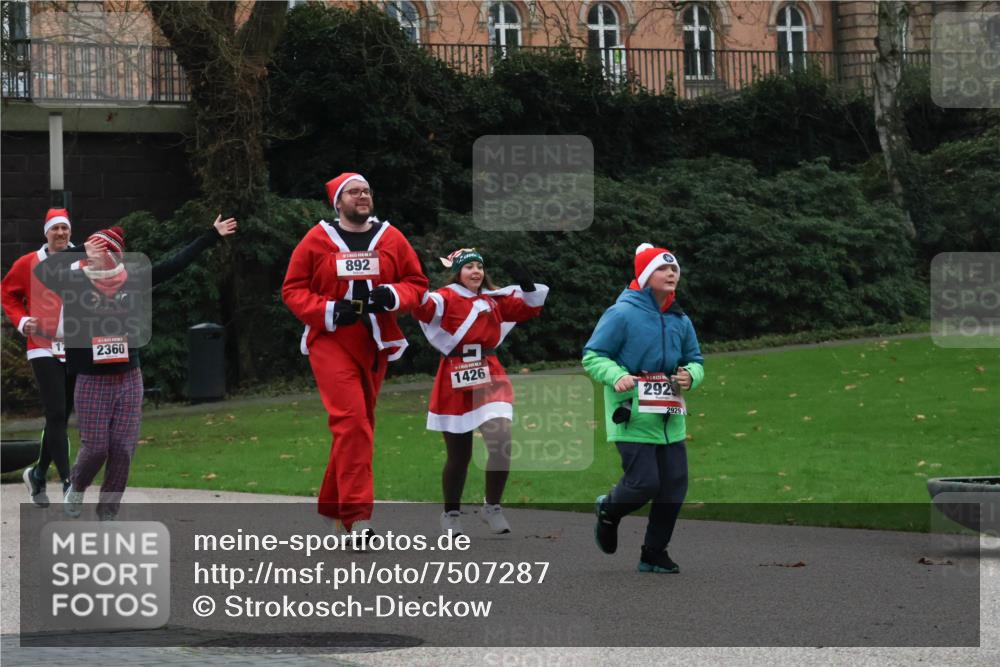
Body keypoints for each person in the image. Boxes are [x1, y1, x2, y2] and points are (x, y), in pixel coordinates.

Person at [35, 215, 237, 520]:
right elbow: (43, 271)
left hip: (129, 376)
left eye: (99, 251)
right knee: (96, 449)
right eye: (91, 250)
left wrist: (211, 235)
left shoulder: (133, 280)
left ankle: (107, 513)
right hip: (91, 378)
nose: (93, 256)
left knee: (123, 450)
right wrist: (78, 251)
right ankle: (76, 486)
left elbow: (174, 265)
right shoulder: (74, 280)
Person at [282, 172, 428, 537]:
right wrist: (329, 310)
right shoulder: (317, 239)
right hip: (331, 340)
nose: (362, 196)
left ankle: (332, 507)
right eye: (354, 192)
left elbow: (417, 282)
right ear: (338, 202)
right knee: (353, 423)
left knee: (358, 426)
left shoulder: (391, 237)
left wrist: (393, 296)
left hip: (375, 341)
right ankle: (358, 518)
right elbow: (293, 289)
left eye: (366, 191)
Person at [582, 243, 704, 573]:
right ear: (647, 275)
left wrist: (690, 376)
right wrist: (617, 375)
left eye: (674, 269)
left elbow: (695, 360)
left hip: (669, 416)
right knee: (645, 482)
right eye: (664, 269)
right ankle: (608, 510)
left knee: (674, 484)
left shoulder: (680, 318)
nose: (671, 274)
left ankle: (653, 552)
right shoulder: (621, 314)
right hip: (632, 414)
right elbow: (593, 356)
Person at [412, 248, 548, 536]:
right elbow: (421, 307)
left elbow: (528, 309)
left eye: (479, 267)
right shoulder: (445, 297)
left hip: (490, 374)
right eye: (469, 267)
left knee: (502, 441)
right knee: (459, 455)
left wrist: (526, 285)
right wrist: (418, 277)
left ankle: (492, 507)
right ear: (457, 272)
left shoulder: (493, 301)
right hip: (454, 377)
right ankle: (450, 514)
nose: (476, 272)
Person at [2, 208, 76, 506]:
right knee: (56, 411)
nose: (60, 233)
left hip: (76, 346)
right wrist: (21, 321)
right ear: (46, 232)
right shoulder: (28, 263)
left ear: (71, 232)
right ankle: (70, 483)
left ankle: (38, 473)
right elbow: (7, 292)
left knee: (59, 417)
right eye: (55, 229)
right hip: (42, 345)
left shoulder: (82, 259)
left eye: (65, 229)